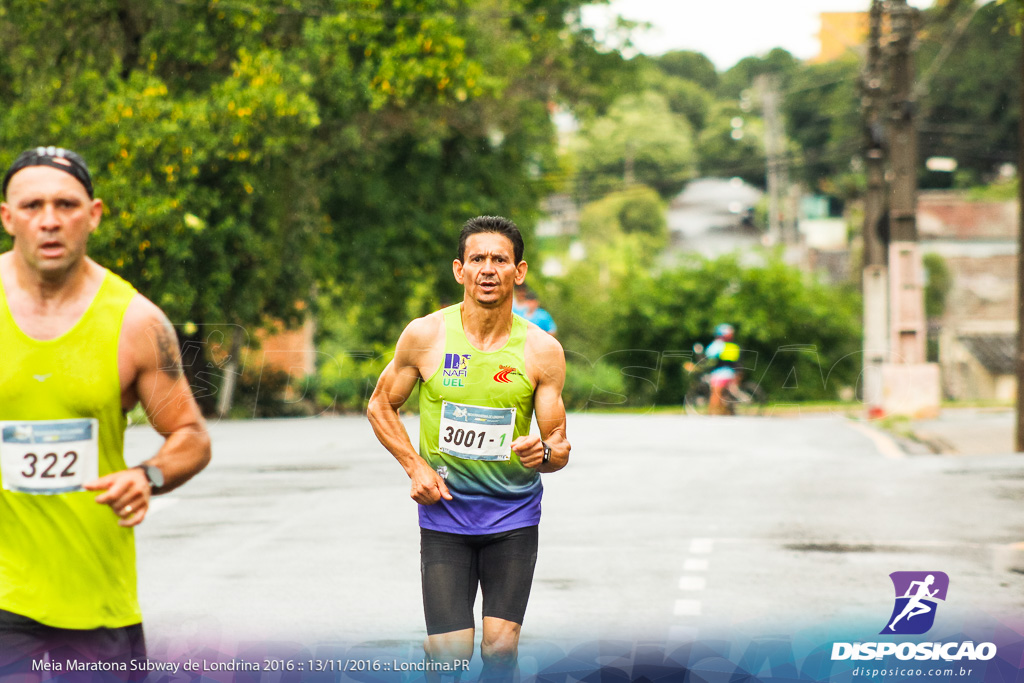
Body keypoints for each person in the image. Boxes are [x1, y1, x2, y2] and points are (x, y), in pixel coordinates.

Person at [0, 147, 211, 675]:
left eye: (65, 205)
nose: (49, 220)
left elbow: (191, 436)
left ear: (93, 214)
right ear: (7, 217)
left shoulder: (136, 322)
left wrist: (147, 475)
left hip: (96, 598)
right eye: (31, 206)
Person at [367, 215, 570, 683]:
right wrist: (415, 467)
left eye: (500, 259)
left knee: (500, 649)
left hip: (513, 517)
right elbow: (381, 405)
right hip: (445, 515)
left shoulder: (542, 350)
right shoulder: (426, 336)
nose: (487, 269)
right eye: (477, 258)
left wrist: (541, 453)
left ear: (518, 271)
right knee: (451, 656)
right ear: (459, 270)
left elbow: (558, 449)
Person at [704, 323, 741, 415]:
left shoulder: (718, 344)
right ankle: (727, 411)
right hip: (732, 373)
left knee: (716, 393)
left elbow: (709, 355)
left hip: (720, 373)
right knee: (726, 394)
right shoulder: (734, 346)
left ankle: (713, 412)